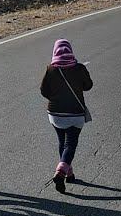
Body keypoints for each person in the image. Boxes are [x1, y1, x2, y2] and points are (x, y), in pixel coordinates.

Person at [39, 38, 92, 193]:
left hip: (55, 114)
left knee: (63, 142)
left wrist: (56, 99)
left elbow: (43, 91)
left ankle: (69, 174)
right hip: (75, 113)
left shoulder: (50, 69)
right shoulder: (79, 68)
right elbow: (88, 86)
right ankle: (61, 171)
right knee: (71, 144)